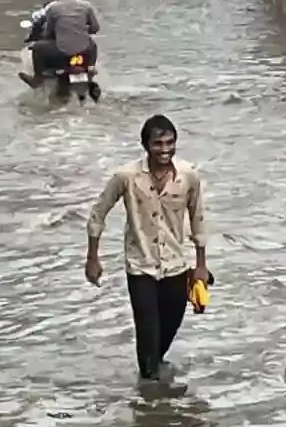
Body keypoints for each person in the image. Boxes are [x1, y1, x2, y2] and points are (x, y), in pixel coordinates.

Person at [85, 115, 208, 383]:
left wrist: (201, 265)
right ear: (145, 145)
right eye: (158, 144)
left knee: (170, 326)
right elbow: (97, 214)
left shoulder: (188, 176)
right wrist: (92, 258)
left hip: (176, 264)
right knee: (147, 327)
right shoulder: (126, 177)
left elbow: (197, 218)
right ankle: (150, 392)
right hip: (140, 264)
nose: (165, 150)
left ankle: (153, 372)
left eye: (170, 143)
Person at [19, 0, 101, 88]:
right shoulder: (86, 5)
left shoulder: (53, 7)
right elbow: (95, 28)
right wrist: (83, 30)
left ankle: (38, 79)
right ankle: (91, 68)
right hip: (84, 49)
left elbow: (48, 32)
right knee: (92, 45)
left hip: (62, 51)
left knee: (37, 48)